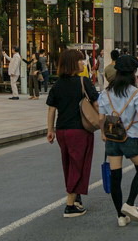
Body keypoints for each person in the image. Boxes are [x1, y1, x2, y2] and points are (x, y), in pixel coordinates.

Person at [98, 55, 138, 227]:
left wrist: (103, 133)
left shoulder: (105, 93)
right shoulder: (137, 94)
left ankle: (120, 217)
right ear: (133, 73)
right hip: (131, 137)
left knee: (116, 176)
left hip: (112, 138)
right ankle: (129, 203)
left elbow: (101, 118)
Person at [46, 49, 99, 218]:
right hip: (80, 130)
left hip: (62, 130)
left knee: (68, 164)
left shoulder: (57, 85)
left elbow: (51, 109)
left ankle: (76, 198)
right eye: (81, 61)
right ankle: (70, 205)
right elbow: (97, 104)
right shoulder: (83, 81)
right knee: (78, 165)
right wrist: (103, 122)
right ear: (73, 63)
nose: (83, 63)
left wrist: (50, 130)